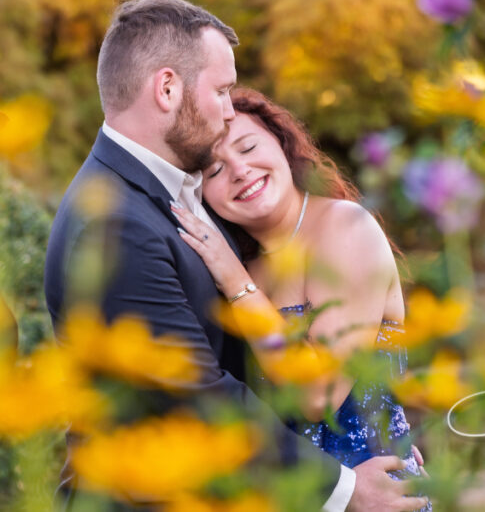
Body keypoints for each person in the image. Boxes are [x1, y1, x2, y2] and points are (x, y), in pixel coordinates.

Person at [44, 0, 429, 511]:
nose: (227, 110)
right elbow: (197, 397)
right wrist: (344, 488)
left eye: (246, 144)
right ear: (166, 88)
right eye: (221, 90)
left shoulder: (168, 204)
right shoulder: (117, 220)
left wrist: (380, 422)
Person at [170, 88, 430, 509]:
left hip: (378, 499)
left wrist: (236, 283)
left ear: (281, 142)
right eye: (214, 170)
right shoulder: (237, 266)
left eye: (249, 146)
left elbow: (317, 396)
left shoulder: (345, 229)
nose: (239, 170)